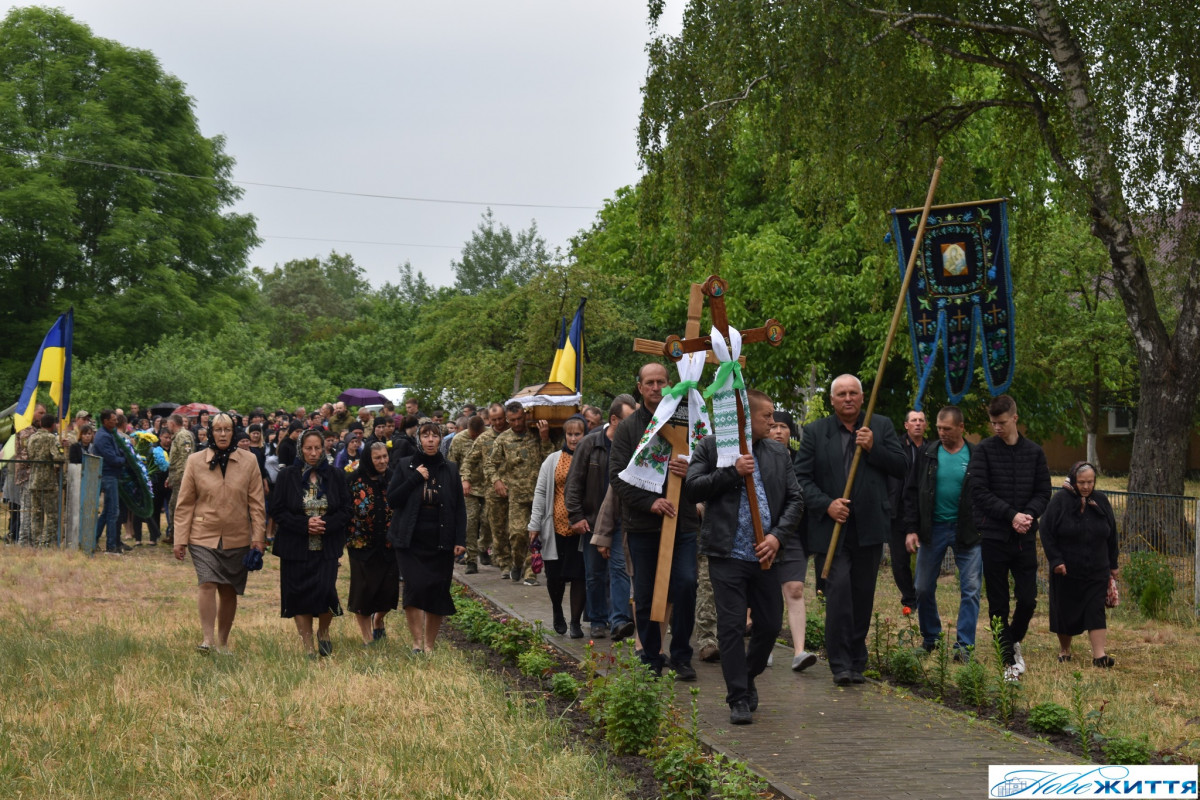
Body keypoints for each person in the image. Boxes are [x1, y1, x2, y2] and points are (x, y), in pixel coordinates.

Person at [687, 389, 803, 723]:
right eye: (767, 415)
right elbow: (693, 487)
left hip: (766, 555)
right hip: (726, 553)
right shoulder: (711, 447)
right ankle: (737, 696)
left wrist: (776, 538)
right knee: (732, 626)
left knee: (768, 625)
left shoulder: (778, 453)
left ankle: (747, 676)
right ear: (745, 417)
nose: (774, 421)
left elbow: (796, 500)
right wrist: (731, 472)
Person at [795, 374, 905, 686]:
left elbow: (901, 466)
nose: (848, 398)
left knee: (862, 595)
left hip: (869, 526)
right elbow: (802, 479)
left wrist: (873, 448)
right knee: (838, 592)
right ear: (832, 400)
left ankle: (857, 660)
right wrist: (827, 504)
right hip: (832, 530)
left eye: (853, 393)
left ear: (861, 396)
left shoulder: (879, 426)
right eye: (841, 394)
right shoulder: (816, 432)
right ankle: (840, 662)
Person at [610, 363, 700, 679]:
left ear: (670, 383)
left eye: (661, 381)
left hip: (684, 521)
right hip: (643, 525)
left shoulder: (688, 419)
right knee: (647, 594)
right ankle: (650, 656)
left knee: (687, 584)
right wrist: (651, 502)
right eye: (649, 382)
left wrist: (693, 472)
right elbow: (617, 477)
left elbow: (708, 460)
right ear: (639, 387)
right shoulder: (629, 428)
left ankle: (682, 656)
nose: (655, 386)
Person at [969, 394, 1051, 682]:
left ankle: (1012, 640)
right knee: (998, 602)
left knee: (1028, 599)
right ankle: (1008, 661)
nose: (996, 428)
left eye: (1001, 422)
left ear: (1015, 418)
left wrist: (1027, 514)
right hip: (993, 535)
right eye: (993, 423)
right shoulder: (984, 451)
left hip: (1024, 536)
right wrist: (1010, 515)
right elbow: (978, 491)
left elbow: (1044, 491)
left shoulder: (1035, 453)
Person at [172, 413, 267, 654]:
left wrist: (258, 537)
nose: (223, 434)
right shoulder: (195, 461)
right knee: (207, 582)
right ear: (210, 433)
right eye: (218, 430)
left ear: (234, 432)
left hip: (237, 535)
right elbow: (185, 504)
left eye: (227, 429)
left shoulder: (249, 461)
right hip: (203, 533)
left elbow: (257, 503)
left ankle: (223, 642)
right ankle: (207, 640)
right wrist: (180, 539)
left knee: (228, 589)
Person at [902, 406, 981, 658]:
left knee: (970, 588)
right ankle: (930, 637)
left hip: (967, 531)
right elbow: (912, 492)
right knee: (923, 587)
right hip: (932, 528)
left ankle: (964, 645)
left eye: (947, 429)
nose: (941, 433)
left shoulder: (976, 455)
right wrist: (911, 528)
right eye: (938, 428)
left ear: (961, 428)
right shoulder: (928, 453)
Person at [270, 429, 352, 658]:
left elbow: (346, 509)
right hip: (295, 546)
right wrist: (304, 525)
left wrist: (325, 524)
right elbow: (277, 510)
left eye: (318, 448)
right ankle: (307, 647)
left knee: (326, 592)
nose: (313, 453)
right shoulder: (288, 476)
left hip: (326, 546)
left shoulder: (335, 475)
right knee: (298, 595)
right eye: (308, 448)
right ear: (300, 449)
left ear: (324, 448)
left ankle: (323, 631)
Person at [387, 421, 467, 652]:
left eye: (434, 436)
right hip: (410, 538)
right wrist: (415, 477)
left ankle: (430, 645)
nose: (430, 440)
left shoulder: (450, 469)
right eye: (425, 436)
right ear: (419, 440)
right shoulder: (405, 465)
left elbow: (459, 507)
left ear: (440, 439)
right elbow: (393, 500)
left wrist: (460, 540)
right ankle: (417, 642)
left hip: (441, 538)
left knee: (437, 590)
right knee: (414, 587)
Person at [565, 394, 637, 640]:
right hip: (593, 520)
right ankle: (597, 619)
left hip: (623, 520)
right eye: (629, 420)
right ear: (614, 419)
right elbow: (574, 482)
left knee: (619, 568)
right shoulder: (590, 444)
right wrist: (575, 516)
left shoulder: (634, 445)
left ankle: (619, 620)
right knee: (594, 572)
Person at [1039, 461, 1119, 668]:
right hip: (1066, 569)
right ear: (1073, 480)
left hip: (1097, 567)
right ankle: (1065, 650)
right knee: (1065, 610)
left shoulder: (1100, 501)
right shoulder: (1060, 501)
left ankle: (1099, 656)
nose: (1085, 486)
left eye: (1090, 482)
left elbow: (1112, 535)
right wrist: (1056, 560)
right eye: (1081, 482)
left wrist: (1113, 564)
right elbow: (1046, 532)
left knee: (1095, 609)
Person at [529, 415, 589, 637]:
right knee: (554, 576)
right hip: (554, 529)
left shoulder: (591, 457)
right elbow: (541, 492)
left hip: (581, 530)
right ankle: (557, 611)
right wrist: (534, 525)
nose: (573, 439)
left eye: (578, 434)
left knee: (579, 575)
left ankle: (575, 622)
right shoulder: (553, 460)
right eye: (570, 434)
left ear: (585, 434)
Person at [768, 409, 817, 672]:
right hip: (764, 534)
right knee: (767, 591)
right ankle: (765, 647)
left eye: (783, 427)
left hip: (795, 534)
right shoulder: (757, 456)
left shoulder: (800, 462)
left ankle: (799, 652)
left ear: (790, 432)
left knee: (795, 589)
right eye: (773, 426)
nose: (778, 431)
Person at [486, 402, 554, 584]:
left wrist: (545, 438)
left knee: (536, 535)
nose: (517, 423)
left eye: (519, 419)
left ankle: (530, 573)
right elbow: (490, 464)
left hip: (538, 495)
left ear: (525, 416)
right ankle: (516, 563)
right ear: (508, 420)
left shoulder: (536, 434)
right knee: (517, 534)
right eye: (512, 420)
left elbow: (551, 459)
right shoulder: (503, 439)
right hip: (516, 496)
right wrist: (497, 481)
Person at [346, 442, 399, 645]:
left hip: (389, 543)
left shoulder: (394, 478)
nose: (383, 461)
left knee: (388, 591)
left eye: (385, 456)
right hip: (361, 544)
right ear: (369, 458)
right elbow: (345, 509)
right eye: (377, 457)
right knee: (363, 592)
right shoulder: (353, 480)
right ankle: (368, 639)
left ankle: (379, 619)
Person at [888, 410, 925, 609]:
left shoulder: (931, 449)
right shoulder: (896, 447)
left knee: (925, 558)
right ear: (906, 425)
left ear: (926, 425)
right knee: (900, 561)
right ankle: (909, 598)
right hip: (898, 510)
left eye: (921, 420)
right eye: (914, 420)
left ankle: (923, 594)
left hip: (923, 512)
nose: (917, 424)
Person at [465, 403, 509, 572]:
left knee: (512, 528)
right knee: (488, 524)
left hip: (513, 488)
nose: (497, 423)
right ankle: (481, 559)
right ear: (489, 420)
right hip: (489, 489)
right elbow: (469, 460)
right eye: (494, 420)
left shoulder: (514, 435)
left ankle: (507, 560)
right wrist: (465, 479)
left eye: (500, 419)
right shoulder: (484, 439)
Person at [449, 414, 487, 573]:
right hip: (468, 488)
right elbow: (451, 465)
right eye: (473, 435)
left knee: (488, 520)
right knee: (471, 522)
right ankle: (471, 560)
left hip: (488, 487)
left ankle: (484, 548)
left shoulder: (489, 437)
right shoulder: (458, 440)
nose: (476, 438)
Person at [91, 410, 130, 554]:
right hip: (108, 475)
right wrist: (125, 460)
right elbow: (112, 458)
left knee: (107, 511)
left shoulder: (110, 434)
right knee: (113, 512)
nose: (116, 422)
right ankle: (111, 546)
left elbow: (118, 452)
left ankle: (93, 540)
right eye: (113, 419)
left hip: (112, 475)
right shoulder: (102, 437)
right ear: (105, 421)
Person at [26, 414, 66, 548]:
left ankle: (36, 542)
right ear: (53, 425)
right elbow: (59, 457)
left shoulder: (32, 438)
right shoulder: (51, 438)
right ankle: (46, 543)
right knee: (52, 514)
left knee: (36, 514)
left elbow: (29, 456)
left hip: (33, 481)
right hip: (48, 482)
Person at [164, 414, 195, 545]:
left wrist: (184, 479)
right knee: (174, 507)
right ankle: (174, 535)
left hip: (182, 479)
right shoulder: (178, 436)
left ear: (172, 423)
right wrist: (170, 477)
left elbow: (185, 458)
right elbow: (176, 460)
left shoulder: (183, 436)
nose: (167, 427)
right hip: (176, 477)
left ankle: (179, 537)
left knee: (178, 508)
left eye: (168, 424)